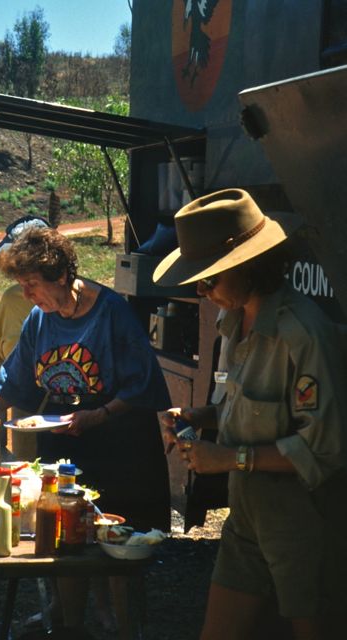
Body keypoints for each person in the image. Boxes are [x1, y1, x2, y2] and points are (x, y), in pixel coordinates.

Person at [154, 188, 347, 640]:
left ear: (248, 266)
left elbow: (324, 447)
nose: (203, 292)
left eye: (210, 280)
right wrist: (198, 415)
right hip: (247, 519)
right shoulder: (232, 323)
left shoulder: (302, 333)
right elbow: (244, 408)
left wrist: (229, 459)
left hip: (303, 523)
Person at [0, 226, 170, 635]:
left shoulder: (111, 312)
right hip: (66, 445)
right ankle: (69, 627)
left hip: (120, 443)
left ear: (61, 277)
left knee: (118, 544)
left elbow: (143, 384)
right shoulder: (39, 319)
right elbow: (12, 381)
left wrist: (99, 416)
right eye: (21, 286)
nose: (26, 296)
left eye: (31, 285)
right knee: (66, 541)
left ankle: (122, 627)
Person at [0, 215, 51, 460]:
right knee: (26, 467)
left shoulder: (66, 304)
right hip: (20, 403)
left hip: (60, 411)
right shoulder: (12, 299)